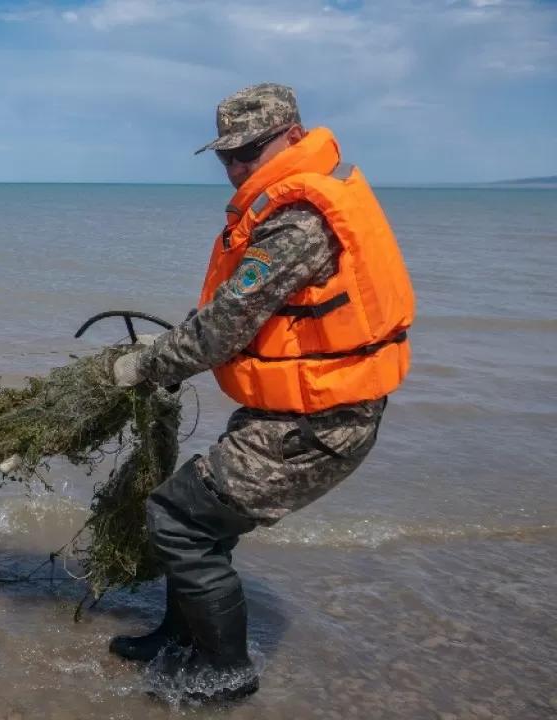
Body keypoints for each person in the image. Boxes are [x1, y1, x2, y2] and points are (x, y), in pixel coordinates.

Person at [106, 83, 415, 703]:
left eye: (250, 150)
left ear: (294, 137)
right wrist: (165, 363)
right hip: (295, 412)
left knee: (178, 518)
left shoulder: (298, 224)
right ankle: (181, 637)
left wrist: (142, 367)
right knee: (196, 513)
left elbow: (222, 327)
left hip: (322, 424)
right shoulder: (283, 207)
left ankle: (226, 672)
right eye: (227, 156)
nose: (238, 167)